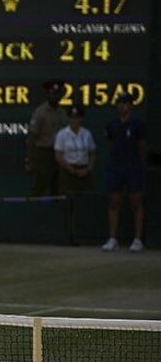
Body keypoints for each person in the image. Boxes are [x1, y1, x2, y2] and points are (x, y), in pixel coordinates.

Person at [101, 92, 147, 253]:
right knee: (114, 201)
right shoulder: (111, 125)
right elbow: (111, 143)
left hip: (133, 165)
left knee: (136, 200)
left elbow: (141, 146)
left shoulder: (138, 125)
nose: (122, 105)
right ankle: (113, 239)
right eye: (119, 102)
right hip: (115, 166)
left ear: (131, 106)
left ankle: (137, 239)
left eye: (126, 103)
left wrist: (135, 162)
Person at [26, 79, 67, 197]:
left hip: (59, 155)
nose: (55, 96)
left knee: (58, 189)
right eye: (53, 93)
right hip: (43, 155)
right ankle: (33, 213)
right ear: (48, 94)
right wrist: (30, 160)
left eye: (58, 94)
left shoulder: (63, 113)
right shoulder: (40, 112)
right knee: (39, 188)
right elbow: (31, 138)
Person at [54, 105, 96, 194]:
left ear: (81, 119)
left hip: (84, 171)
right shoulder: (62, 134)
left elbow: (92, 153)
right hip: (68, 171)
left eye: (77, 118)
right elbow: (58, 156)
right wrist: (72, 170)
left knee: (85, 198)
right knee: (68, 199)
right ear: (68, 119)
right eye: (72, 118)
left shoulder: (87, 134)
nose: (74, 120)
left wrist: (88, 168)